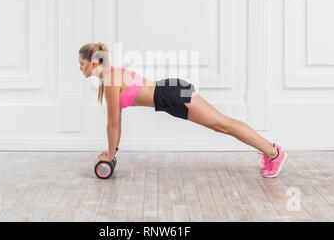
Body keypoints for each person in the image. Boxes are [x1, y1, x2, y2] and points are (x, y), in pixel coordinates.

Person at [79, 42, 287, 178]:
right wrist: (111, 152)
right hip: (170, 94)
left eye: (82, 64)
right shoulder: (112, 76)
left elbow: (113, 123)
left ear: (94, 62)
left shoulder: (110, 79)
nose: (80, 68)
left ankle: (274, 152)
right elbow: (116, 122)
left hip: (171, 95)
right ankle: (271, 151)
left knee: (223, 125)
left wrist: (110, 154)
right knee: (222, 125)